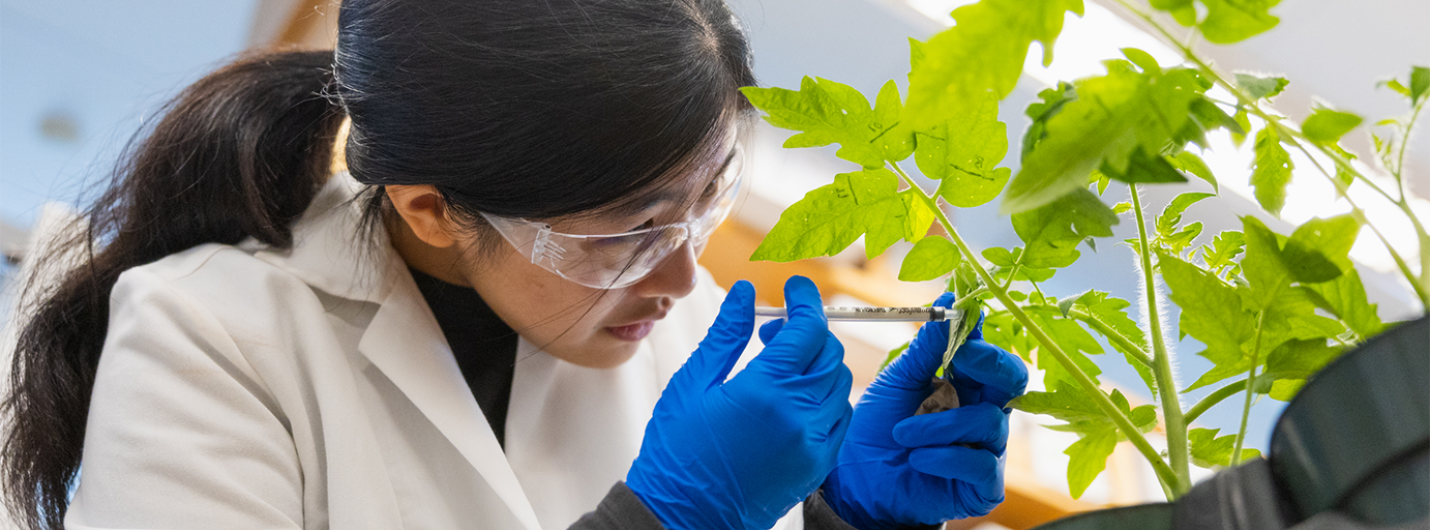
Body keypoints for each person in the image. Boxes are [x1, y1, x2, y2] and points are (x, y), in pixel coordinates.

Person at [0, 1, 1028, 529]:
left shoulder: (666, 324)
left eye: (706, 201)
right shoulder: (208, 339)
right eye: (628, 228)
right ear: (431, 208)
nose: (681, 275)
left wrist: (838, 514)